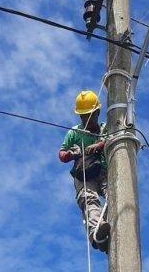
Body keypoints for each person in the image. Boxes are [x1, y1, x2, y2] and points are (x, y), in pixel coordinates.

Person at [59, 90, 111, 253]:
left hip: (103, 171)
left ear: (97, 112)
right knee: (88, 199)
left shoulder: (106, 129)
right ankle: (97, 232)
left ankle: (110, 227)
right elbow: (61, 154)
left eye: (88, 115)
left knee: (114, 196)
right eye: (82, 116)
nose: (85, 119)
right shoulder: (75, 132)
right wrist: (71, 154)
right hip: (84, 172)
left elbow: (113, 139)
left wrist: (99, 145)